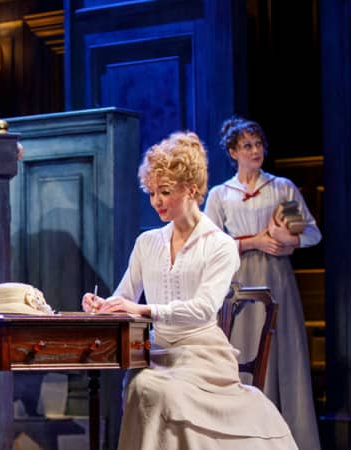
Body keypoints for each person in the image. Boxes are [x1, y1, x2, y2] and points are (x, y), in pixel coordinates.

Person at [81, 131, 296, 449]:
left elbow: (203, 309)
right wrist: (104, 304)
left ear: (192, 189)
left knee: (151, 388)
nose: (156, 201)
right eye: (151, 193)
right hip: (154, 354)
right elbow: (125, 295)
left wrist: (142, 310)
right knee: (143, 382)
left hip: (202, 357)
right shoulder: (147, 242)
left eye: (165, 192)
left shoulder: (220, 245)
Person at [204, 116, 322, 450]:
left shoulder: (280, 189)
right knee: (243, 353)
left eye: (258, 144)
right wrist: (253, 241)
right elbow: (209, 245)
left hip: (276, 281)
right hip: (239, 284)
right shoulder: (221, 195)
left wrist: (288, 241)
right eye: (247, 146)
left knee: (282, 355)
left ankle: (288, 438)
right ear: (232, 152)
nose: (255, 151)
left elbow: (310, 233)